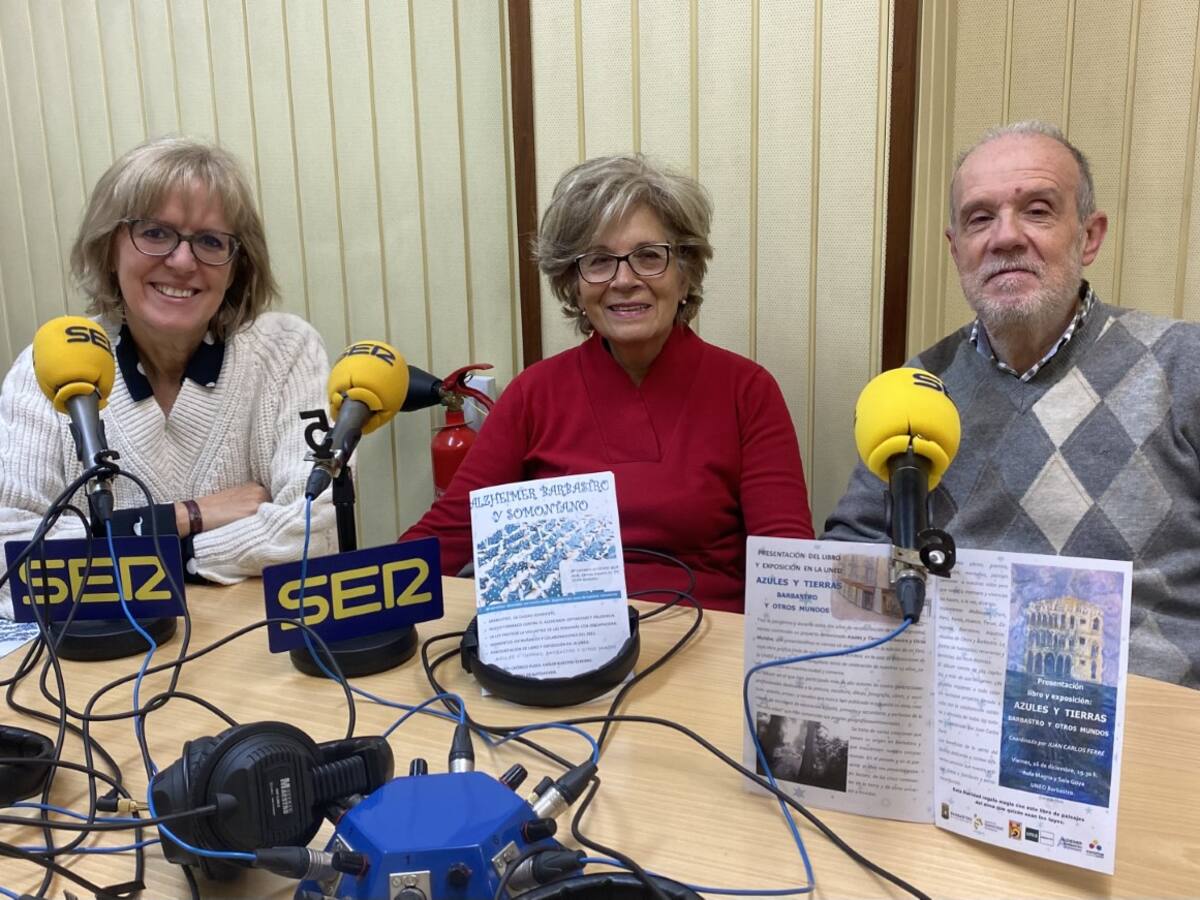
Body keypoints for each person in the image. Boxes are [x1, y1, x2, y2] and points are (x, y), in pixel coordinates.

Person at [824, 121, 1200, 688]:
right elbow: (848, 559)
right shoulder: (917, 387)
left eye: (1039, 210)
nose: (1005, 238)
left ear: (1089, 236)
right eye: (980, 218)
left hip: (1150, 728)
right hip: (957, 720)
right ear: (956, 250)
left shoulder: (1183, 363)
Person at [402, 155, 813, 612]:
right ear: (573, 284)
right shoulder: (533, 393)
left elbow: (786, 562)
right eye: (598, 261)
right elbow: (451, 531)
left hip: (708, 643)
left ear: (686, 272)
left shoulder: (747, 391)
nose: (624, 280)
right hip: (565, 649)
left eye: (649, 257)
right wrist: (342, 603)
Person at [0, 136, 335, 617]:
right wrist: (187, 516)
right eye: (155, 233)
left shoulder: (286, 352)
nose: (182, 261)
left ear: (237, 267)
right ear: (108, 247)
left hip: (253, 660)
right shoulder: (49, 365)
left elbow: (315, 531)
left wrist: (151, 555)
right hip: (95, 670)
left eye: (210, 241)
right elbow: (11, 560)